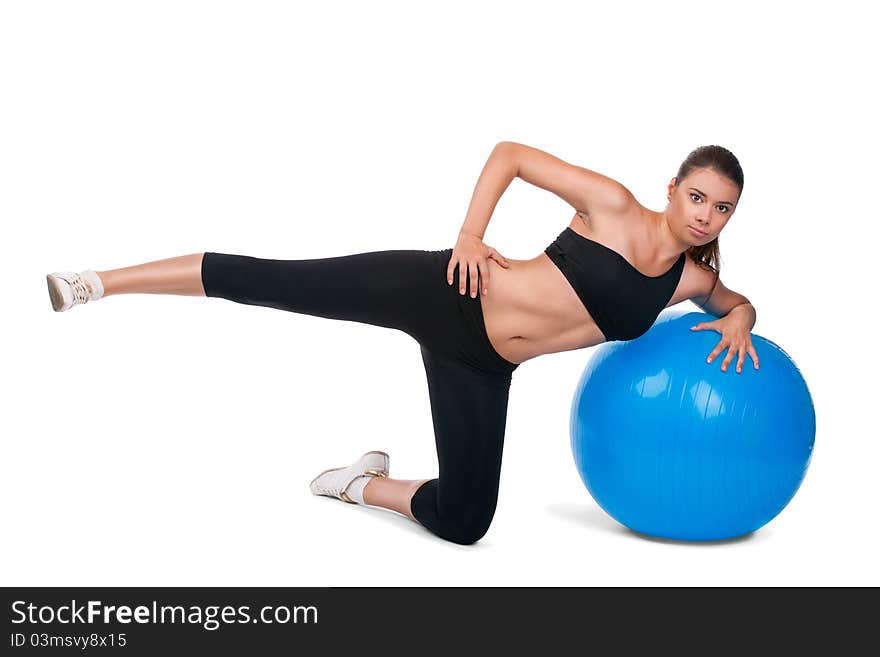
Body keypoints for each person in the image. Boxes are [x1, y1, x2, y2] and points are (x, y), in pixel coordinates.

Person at [45, 141, 760, 546]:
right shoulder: (611, 203)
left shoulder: (689, 281)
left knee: (466, 520)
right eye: (697, 196)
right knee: (271, 281)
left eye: (721, 207)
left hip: (482, 365)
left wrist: (739, 320)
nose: (705, 215)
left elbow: (737, 302)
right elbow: (509, 154)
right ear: (673, 189)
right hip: (446, 290)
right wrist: (472, 235)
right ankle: (97, 282)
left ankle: (361, 483)